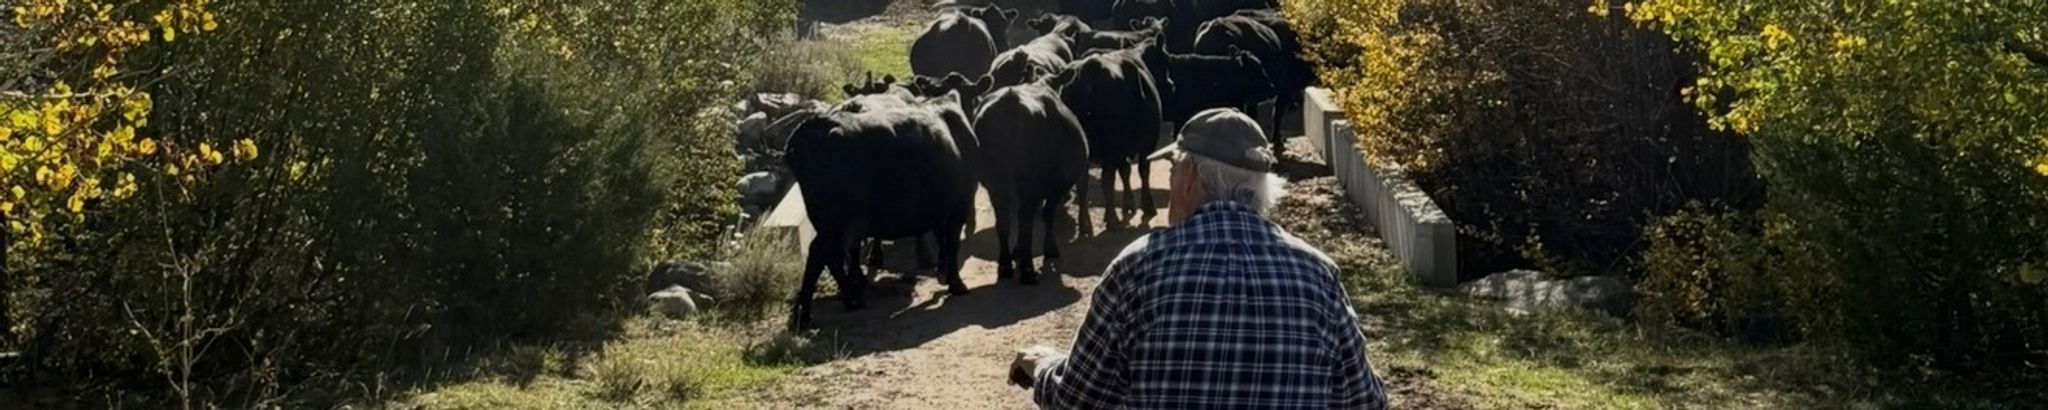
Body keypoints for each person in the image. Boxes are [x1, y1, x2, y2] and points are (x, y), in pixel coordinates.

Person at [1008, 108, 1388, 409]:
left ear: (1189, 175)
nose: (1171, 182)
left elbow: (1078, 399)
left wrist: (1043, 365)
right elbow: (1365, 401)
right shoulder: (1318, 274)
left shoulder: (1138, 266)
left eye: (1172, 169)